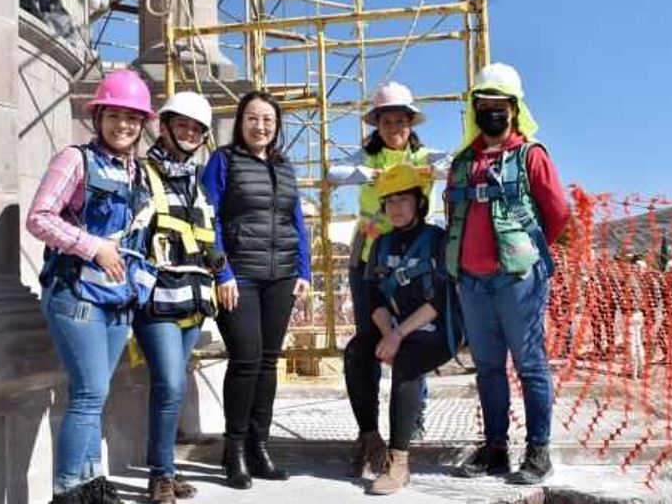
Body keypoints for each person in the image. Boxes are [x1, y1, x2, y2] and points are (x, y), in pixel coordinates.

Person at [26, 69, 154, 504]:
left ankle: (91, 481)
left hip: (117, 299)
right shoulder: (75, 160)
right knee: (88, 394)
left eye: (133, 118)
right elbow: (39, 217)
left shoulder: (138, 172)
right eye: (115, 115)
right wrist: (91, 245)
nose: (124, 125)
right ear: (98, 116)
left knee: (99, 394)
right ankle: (66, 492)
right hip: (76, 294)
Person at [445, 63, 570, 485]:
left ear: (514, 109)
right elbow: (453, 216)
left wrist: (526, 254)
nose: (491, 112)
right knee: (488, 368)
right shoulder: (463, 164)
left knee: (530, 365)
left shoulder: (531, 156)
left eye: (500, 106)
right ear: (474, 108)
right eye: (484, 105)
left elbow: (557, 215)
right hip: (473, 283)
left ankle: (538, 451)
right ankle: (495, 448)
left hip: (519, 281)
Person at [201, 90, 311, 490]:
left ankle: (259, 446)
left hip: (281, 276)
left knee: (268, 362)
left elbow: (297, 221)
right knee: (245, 359)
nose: (260, 126)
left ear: (277, 125)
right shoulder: (223, 162)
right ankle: (234, 451)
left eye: (267, 119)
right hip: (240, 276)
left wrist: (304, 271)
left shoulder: (284, 166)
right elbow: (207, 217)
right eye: (252, 118)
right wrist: (222, 271)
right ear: (240, 122)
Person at [335, 82, 441, 475]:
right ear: (376, 124)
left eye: (401, 119)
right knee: (369, 341)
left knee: (412, 339)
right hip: (371, 256)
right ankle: (369, 434)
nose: (394, 126)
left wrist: (425, 169)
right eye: (387, 120)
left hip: (413, 256)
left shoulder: (423, 156)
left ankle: (411, 421)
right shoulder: (368, 156)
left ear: (411, 123)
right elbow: (335, 172)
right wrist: (368, 170)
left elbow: (451, 166)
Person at [131, 91, 221, 504]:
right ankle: (160, 476)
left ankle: (166, 467)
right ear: (164, 126)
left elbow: (207, 238)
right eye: (181, 124)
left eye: (196, 128)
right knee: (168, 383)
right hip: (157, 297)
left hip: (194, 296)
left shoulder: (195, 181)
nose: (188, 133)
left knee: (176, 385)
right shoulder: (142, 173)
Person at [344, 164, 455, 494]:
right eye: (389, 202)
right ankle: (369, 438)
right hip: (394, 326)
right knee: (356, 351)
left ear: (420, 202)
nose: (396, 208)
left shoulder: (437, 240)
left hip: (435, 328)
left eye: (403, 200)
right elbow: (373, 297)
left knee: (406, 362)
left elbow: (438, 301)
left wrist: (396, 335)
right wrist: (385, 331)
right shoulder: (381, 242)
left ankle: (399, 461)